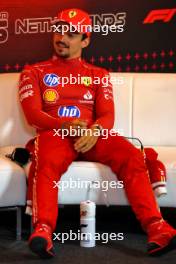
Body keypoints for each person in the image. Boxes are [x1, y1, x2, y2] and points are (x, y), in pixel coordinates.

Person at [19, 8, 176, 259]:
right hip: (55, 134)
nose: (62, 37)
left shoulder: (99, 75)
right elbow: (33, 115)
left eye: (72, 34)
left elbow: (107, 116)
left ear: (86, 40)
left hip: (92, 135)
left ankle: (157, 227)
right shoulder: (33, 72)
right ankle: (43, 230)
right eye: (59, 30)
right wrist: (64, 125)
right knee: (45, 160)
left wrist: (95, 131)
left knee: (131, 155)